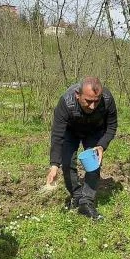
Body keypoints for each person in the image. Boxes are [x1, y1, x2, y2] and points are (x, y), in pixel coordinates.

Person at [45, 77, 117, 220]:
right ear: (78, 95)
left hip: (94, 131)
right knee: (67, 163)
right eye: (88, 101)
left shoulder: (107, 99)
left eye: (96, 101)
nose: (92, 106)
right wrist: (54, 165)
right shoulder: (66, 102)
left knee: (93, 163)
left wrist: (101, 145)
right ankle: (77, 196)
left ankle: (87, 202)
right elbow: (58, 135)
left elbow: (112, 126)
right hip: (70, 131)